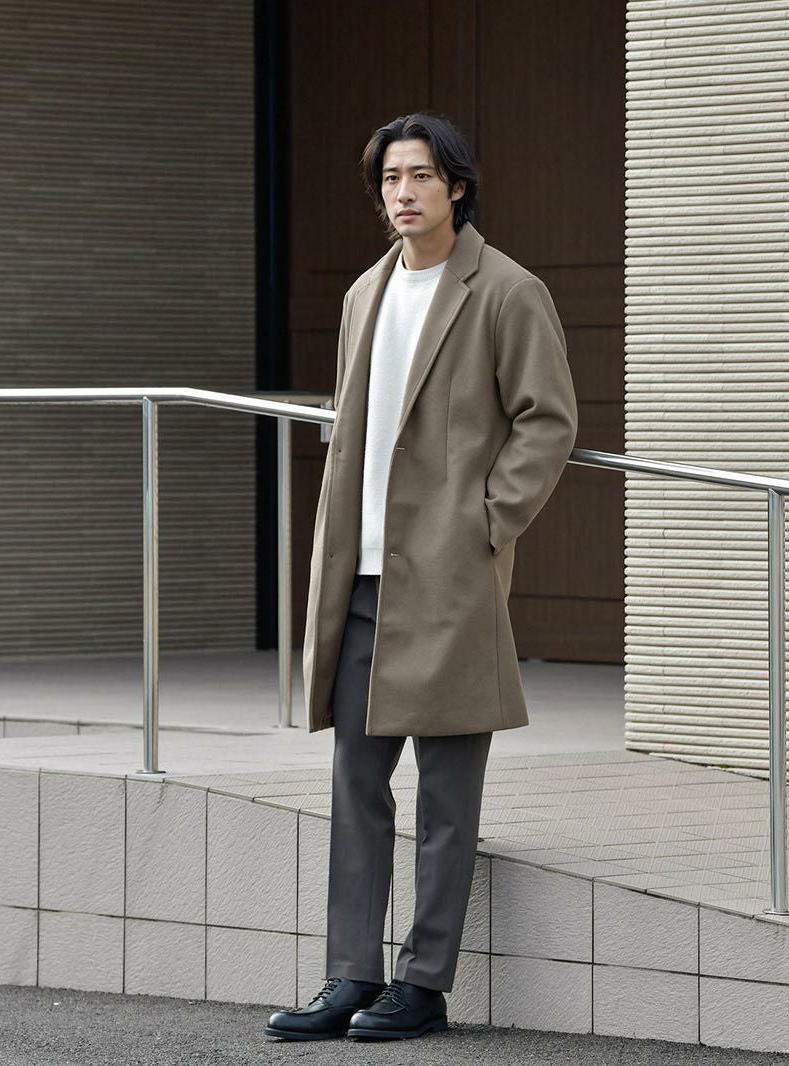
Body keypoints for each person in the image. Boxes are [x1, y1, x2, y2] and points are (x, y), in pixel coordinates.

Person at [266, 112, 578, 1042]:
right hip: (360, 583)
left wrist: (484, 524)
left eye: (421, 177)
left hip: (449, 585)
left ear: (457, 187)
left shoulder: (507, 290)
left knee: (447, 797)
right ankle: (350, 974)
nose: (403, 192)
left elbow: (548, 420)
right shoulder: (366, 292)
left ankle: (424, 984)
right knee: (355, 788)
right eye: (391, 178)